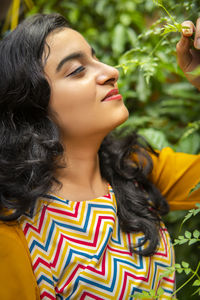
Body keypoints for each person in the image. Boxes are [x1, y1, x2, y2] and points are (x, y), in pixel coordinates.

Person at [0, 13, 199, 300]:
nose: (111, 71)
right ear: (32, 106)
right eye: (77, 70)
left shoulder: (135, 172)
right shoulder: (14, 228)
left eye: (96, 59)